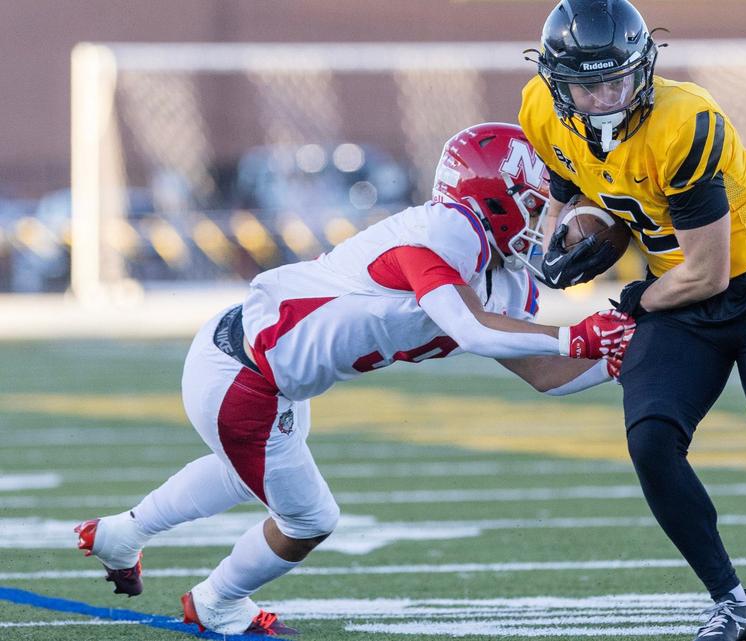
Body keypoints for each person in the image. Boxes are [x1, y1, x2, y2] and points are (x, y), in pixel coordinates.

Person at [74, 123, 635, 636]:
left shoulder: (504, 279)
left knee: (249, 473)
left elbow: (544, 373)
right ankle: (218, 601)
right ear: (494, 199)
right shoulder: (446, 231)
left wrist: (627, 355)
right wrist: (579, 335)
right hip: (241, 375)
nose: (548, 223)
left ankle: (122, 534)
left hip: (261, 371)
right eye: (537, 206)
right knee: (310, 517)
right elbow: (478, 330)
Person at [520, 2, 746, 639]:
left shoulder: (682, 122)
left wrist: (633, 300)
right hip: (679, 297)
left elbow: (708, 273)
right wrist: (561, 230)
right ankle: (731, 600)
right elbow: (566, 175)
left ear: (644, 68)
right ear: (557, 82)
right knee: (651, 440)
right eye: (588, 83)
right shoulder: (541, 110)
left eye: (617, 80)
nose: (605, 98)